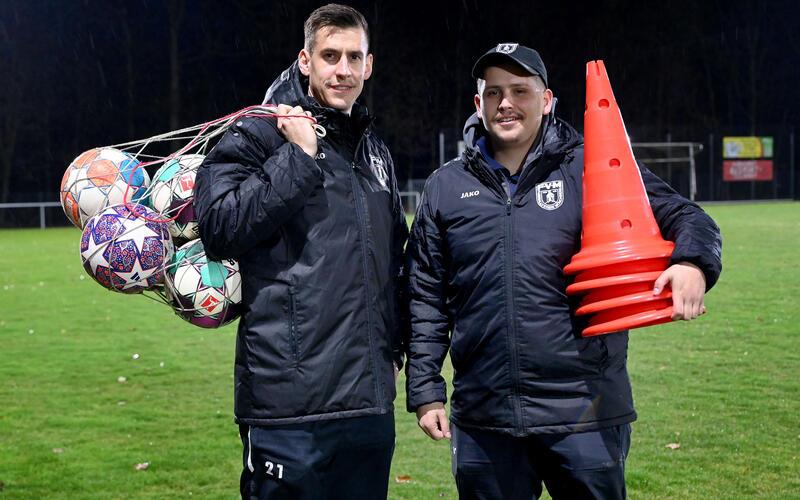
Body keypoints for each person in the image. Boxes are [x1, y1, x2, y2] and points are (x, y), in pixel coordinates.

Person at [404, 43, 722, 499]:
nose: (506, 103)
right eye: (493, 93)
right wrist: (427, 390)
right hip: (484, 416)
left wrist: (692, 262)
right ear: (478, 104)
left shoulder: (590, 167)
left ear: (547, 99)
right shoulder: (445, 187)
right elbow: (426, 296)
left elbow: (689, 216)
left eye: (520, 90)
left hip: (586, 411)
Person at [193, 4, 407, 499]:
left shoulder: (374, 150)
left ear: (369, 65)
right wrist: (299, 156)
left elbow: (395, 259)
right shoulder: (258, 132)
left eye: (354, 57)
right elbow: (220, 228)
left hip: (368, 406)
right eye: (330, 55)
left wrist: (394, 349)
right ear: (305, 61)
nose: (344, 69)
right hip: (288, 409)